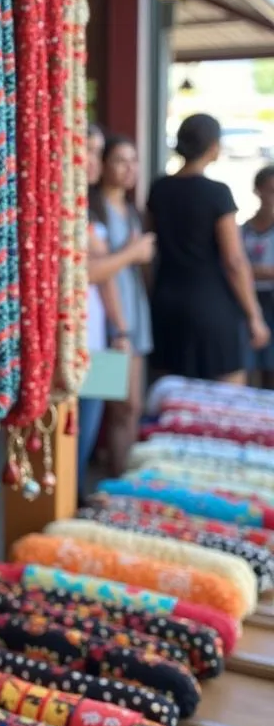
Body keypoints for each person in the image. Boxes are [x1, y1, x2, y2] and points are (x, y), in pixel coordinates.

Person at [148, 113, 271, 386]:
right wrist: (254, 315)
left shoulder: (159, 188)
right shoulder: (217, 193)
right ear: (213, 146)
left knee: (173, 398)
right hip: (211, 305)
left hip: (166, 300)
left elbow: (150, 248)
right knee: (226, 399)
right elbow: (235, 260)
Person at [79, 125, 155, 492]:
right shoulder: (92, 208)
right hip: (101, 325)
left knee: (127, 404)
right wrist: (134, 253)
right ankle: (109, 484)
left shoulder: (135, 211)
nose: (128, 169)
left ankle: (118, 482)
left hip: (126, 315)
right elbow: (98, 271)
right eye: (118, 160)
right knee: (108, 407)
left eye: (133, 161)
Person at [242, 164, 274, 389]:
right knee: (249, 366)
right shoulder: (243, 230)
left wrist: (249, 270)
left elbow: (239, 267)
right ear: (258, 191)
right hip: (249, 301)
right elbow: (233, 265)